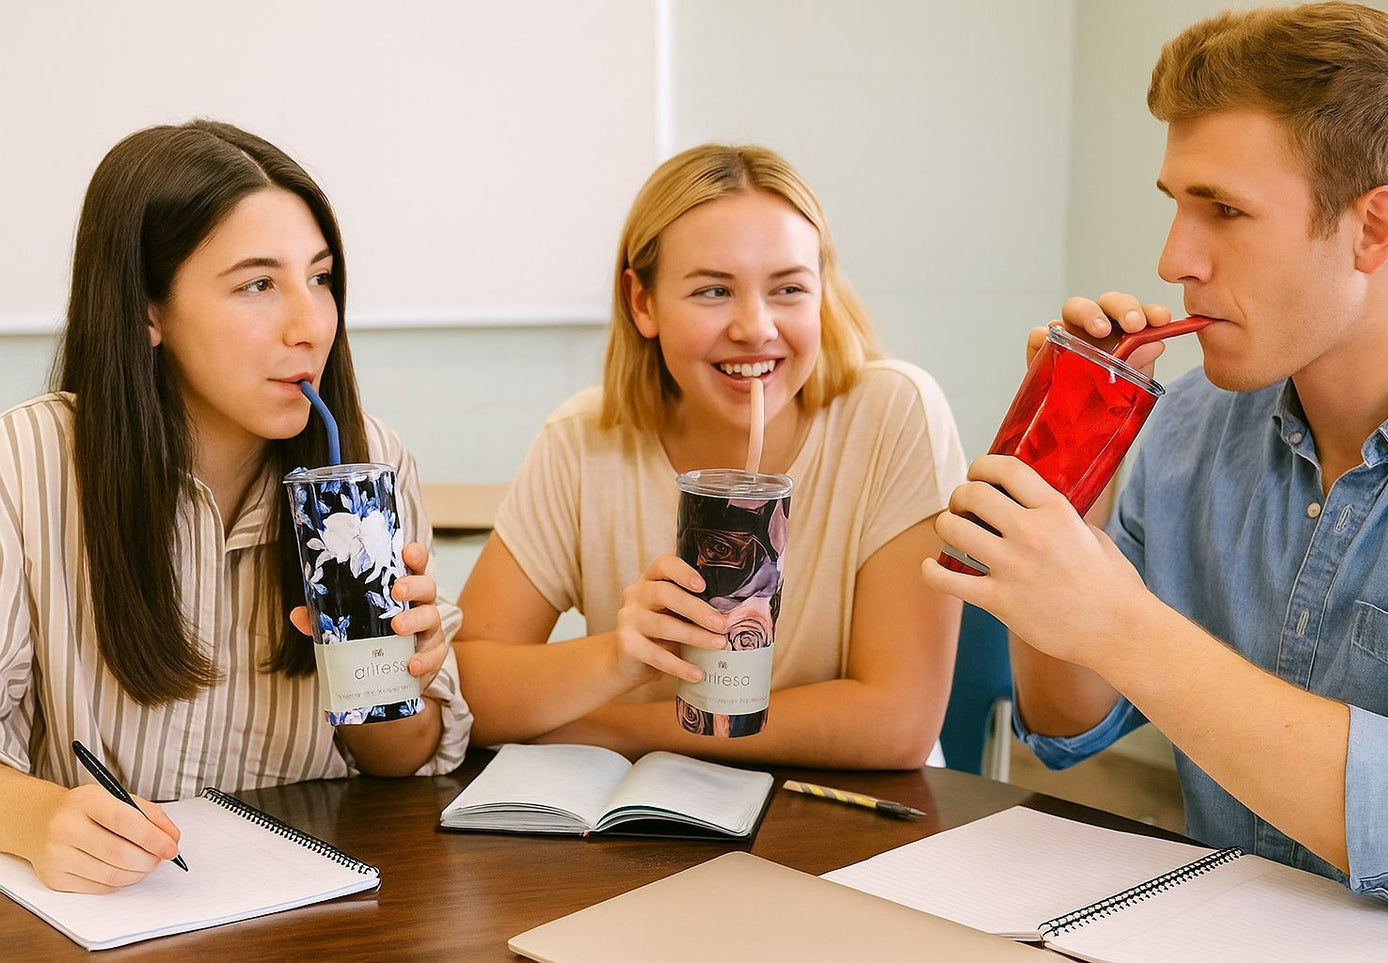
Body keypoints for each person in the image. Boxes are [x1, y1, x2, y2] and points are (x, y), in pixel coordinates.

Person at [925, 2, 1388, 915]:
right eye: (1175, 205)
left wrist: (1122, 621)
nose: (1173, 260)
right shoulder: (1191, 420)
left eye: (1225, 211)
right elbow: (1067, 726)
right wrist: (1068, 484)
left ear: (1373, 229)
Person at [0, 120, 472, 893]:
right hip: (109, 914)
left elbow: (402, 762)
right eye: (258, 284)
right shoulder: (25, 466)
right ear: (148, 309)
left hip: (312, 911)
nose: (310, 325)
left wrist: (403, 669)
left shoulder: (368, 466)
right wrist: (36, 816)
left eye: (320, 278)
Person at [454, 144, 965, 769]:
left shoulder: (894, 414)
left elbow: (898, 723)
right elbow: (463, 687)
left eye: (788, 289)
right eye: (714, 291)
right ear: (643, 303)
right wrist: (618, 657)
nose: (755, 327)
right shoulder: (581, 442)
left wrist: (618, 729)